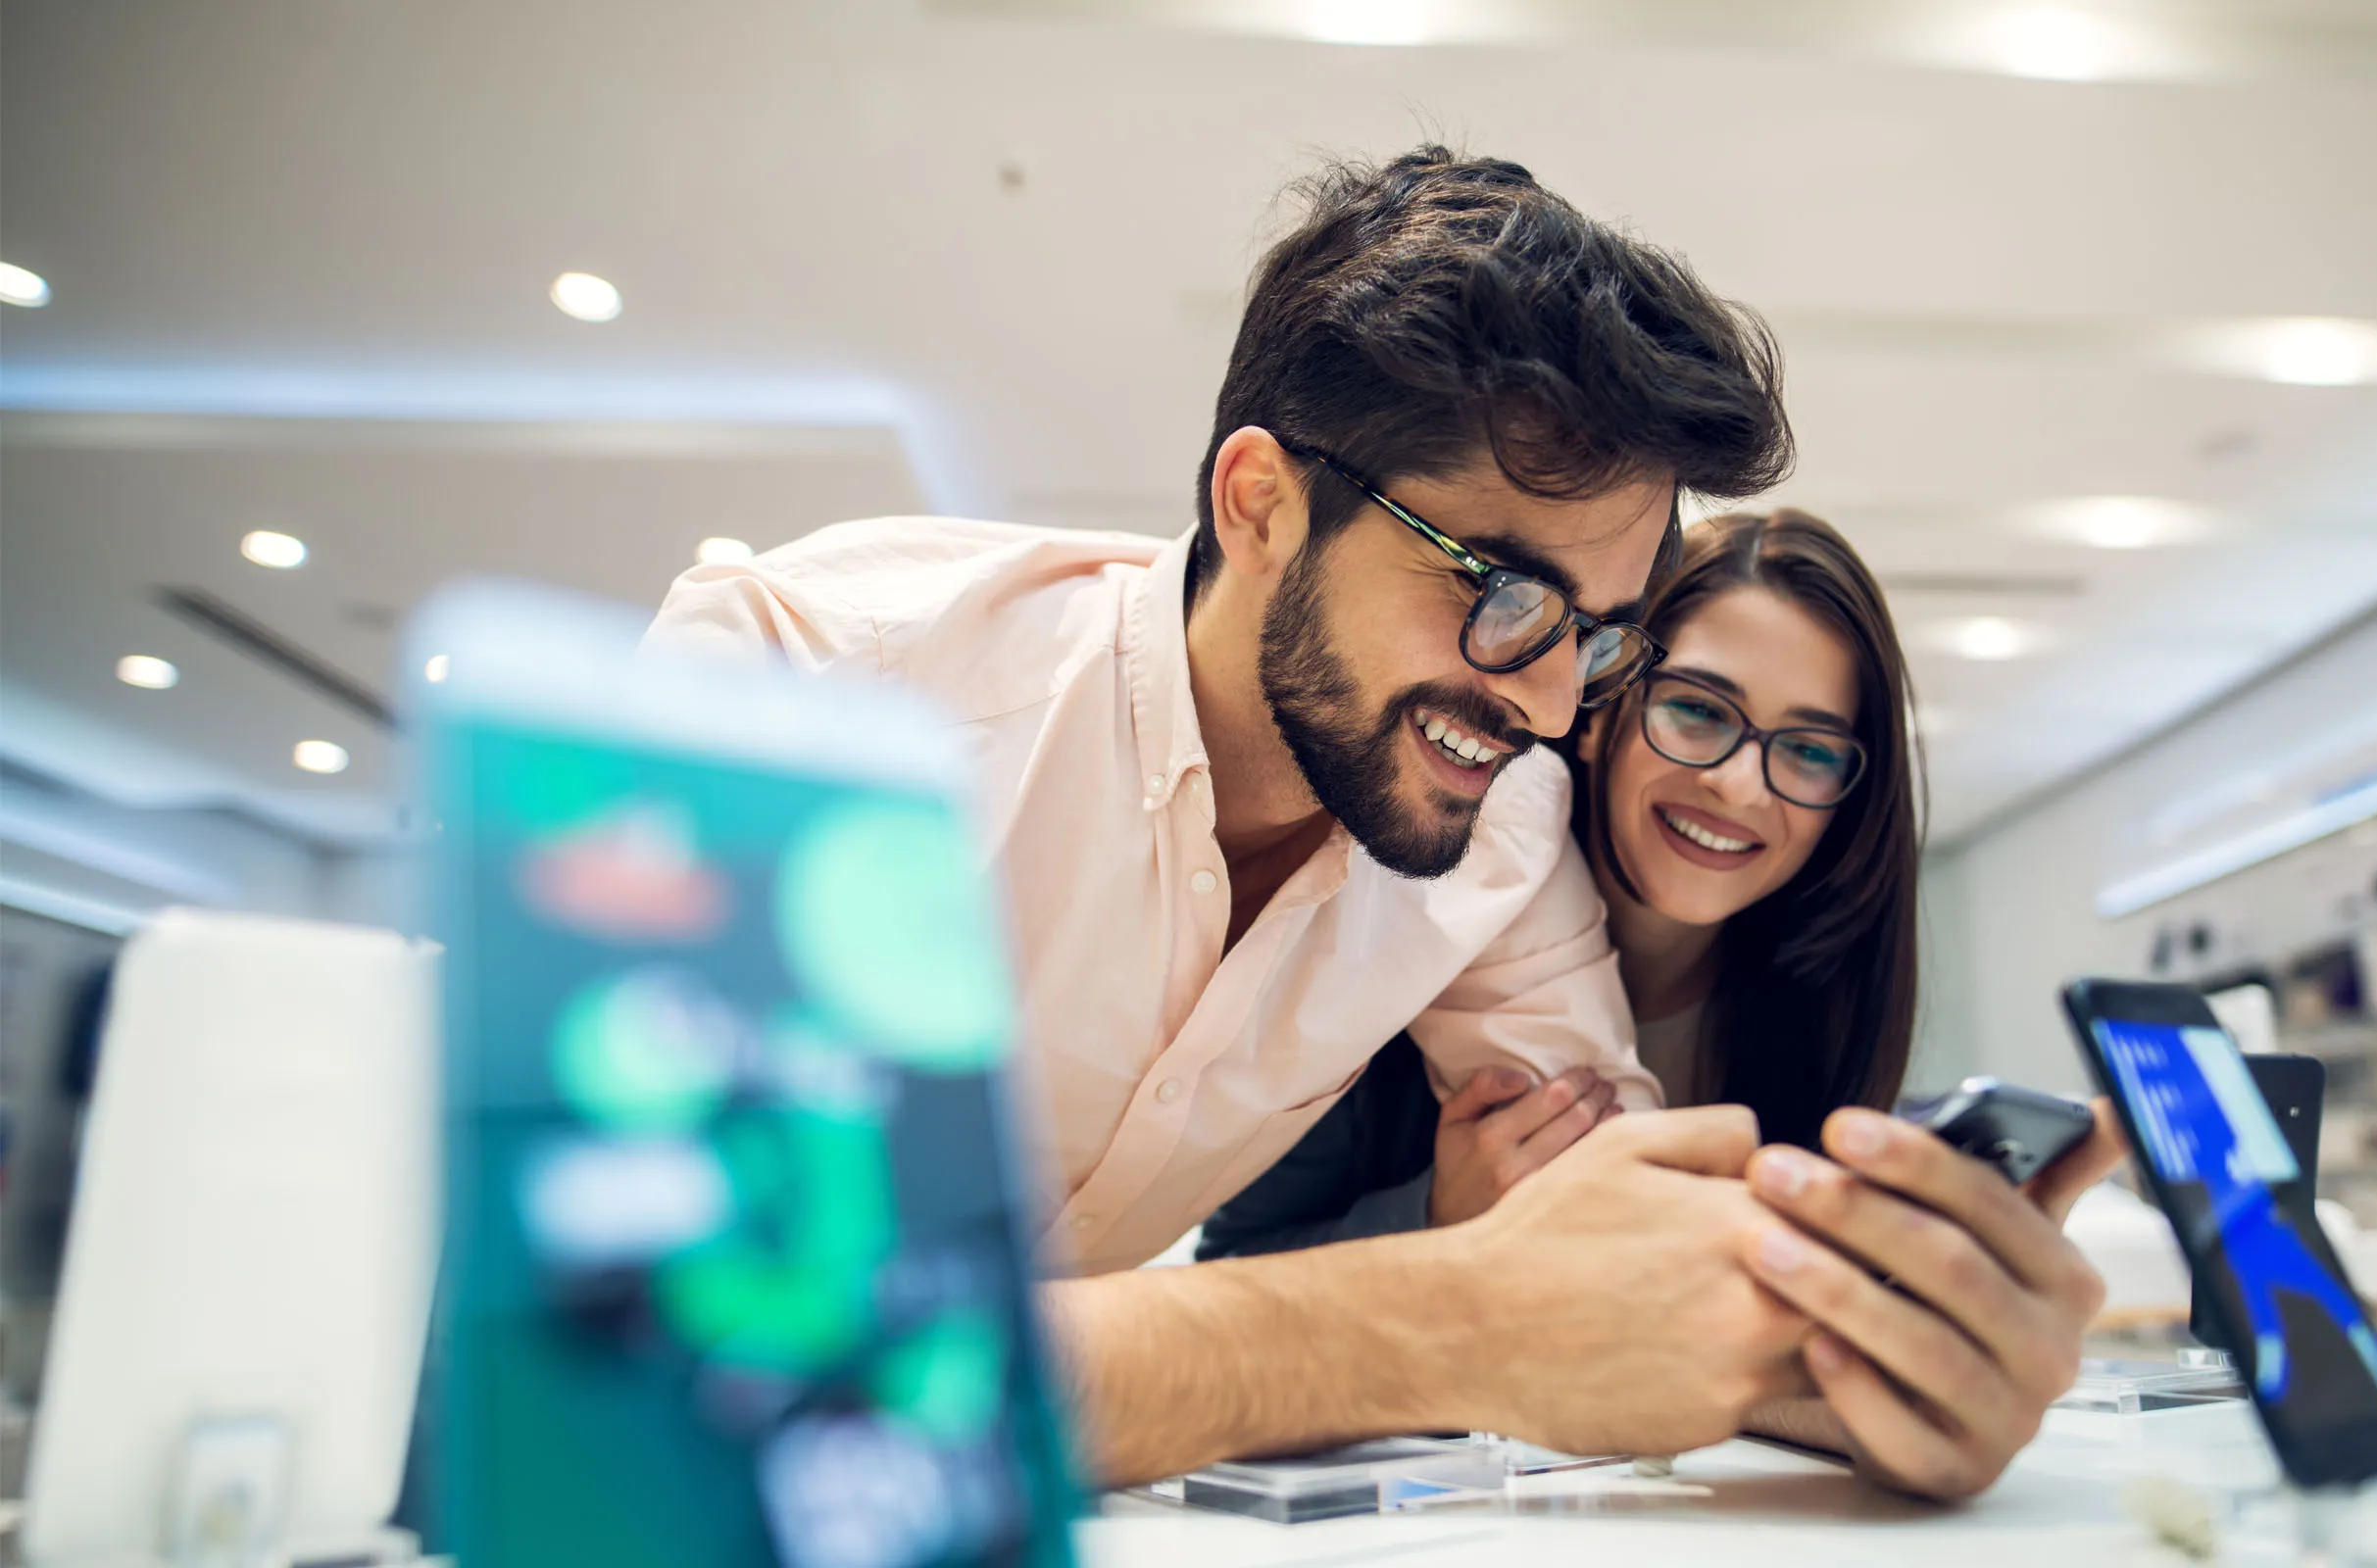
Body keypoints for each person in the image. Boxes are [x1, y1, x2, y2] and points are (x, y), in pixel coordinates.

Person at [646, 145, 2117, 1496]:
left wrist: (1900, 1357)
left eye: (1598, 633)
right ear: (1263, 504)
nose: (1548, 700)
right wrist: (1437, 1314)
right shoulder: (801, 689)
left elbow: (1625, 1231)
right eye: (1499, 590)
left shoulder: (1505, 828)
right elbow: (684, 1378)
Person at [1205, 510, 2122, 1482]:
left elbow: (1738, 1352)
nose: (1738, 784)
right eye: (1696, 710)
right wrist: (1439, 1217)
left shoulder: (1809, 1011)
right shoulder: (1416, 924)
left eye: (1808, 752)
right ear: (1596, 710)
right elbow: (1221, 1289)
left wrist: (1910, 1346)